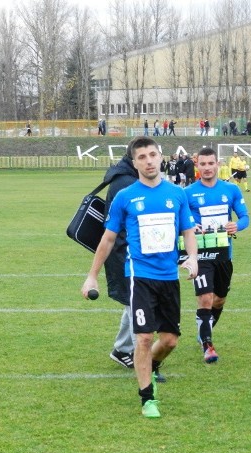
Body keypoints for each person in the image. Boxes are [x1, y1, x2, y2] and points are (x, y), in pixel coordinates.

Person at [81, 136, 198, 419]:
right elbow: (108, 239)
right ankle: (148, 397)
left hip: (169, 276)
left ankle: (153, 366)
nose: (148, 161)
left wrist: (192, 257)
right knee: (143, 337)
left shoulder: (176, 194)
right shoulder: (125, 196)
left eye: (152, 155)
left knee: (169, 341)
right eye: (142, 157)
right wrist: (92, 276)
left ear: (161, 157)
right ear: (135, 163)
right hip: (139, 275)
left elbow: (188, 231)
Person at [184, 147, 249, 363]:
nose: (207, 168)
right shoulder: (188, 193)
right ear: (197, 164)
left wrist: (236, 226)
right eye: (202, 164)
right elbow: (181, 222)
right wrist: (192, 226)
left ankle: (204, 328)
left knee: (219, 301)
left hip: (223, 255)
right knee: (205, 298)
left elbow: (245, 217)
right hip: (200, 254)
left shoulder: (231, 190)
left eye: (211, 163)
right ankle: (208, 345)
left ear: (218, 164)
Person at [99, 145, 139, 371]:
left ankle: (121, 349)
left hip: (125, 249)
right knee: (135, 302)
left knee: (131, 302)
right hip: (124, 251)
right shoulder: (125, 184)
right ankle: (138, 353)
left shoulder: (124, 178)